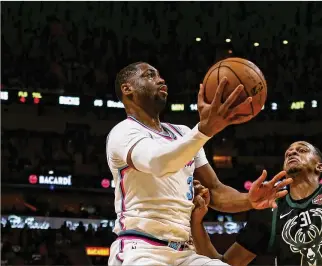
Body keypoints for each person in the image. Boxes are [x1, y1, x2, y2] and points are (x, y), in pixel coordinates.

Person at [190, 6, 322, 266]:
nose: (292, 151)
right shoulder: (269, 213)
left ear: (320, 165)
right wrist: (197, 223)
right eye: (288, 152)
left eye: (302, 149)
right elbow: (222, 264)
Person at [106, 60, 291, 266]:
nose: (160, 79)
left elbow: (216, 190)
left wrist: (250, 200)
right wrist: (204, 131)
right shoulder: (124, 132)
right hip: (141, 250)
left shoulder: (183, 134)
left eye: (159, 75)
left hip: (185, 253)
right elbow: (157, 163)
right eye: (150, 75)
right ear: (127, 89)